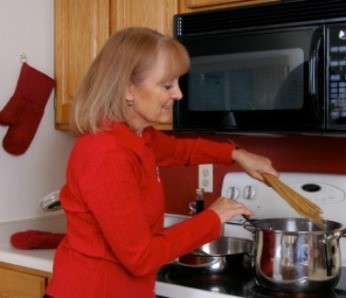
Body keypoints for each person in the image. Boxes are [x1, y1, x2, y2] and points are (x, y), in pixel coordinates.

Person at [45, 27, 278, 297]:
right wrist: (213, 217)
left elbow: (182, 150)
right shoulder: (105, 153)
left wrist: (237, 155)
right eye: (167, 85)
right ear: (128, 89)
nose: (178, 94)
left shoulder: (136, 136)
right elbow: (141, 256)